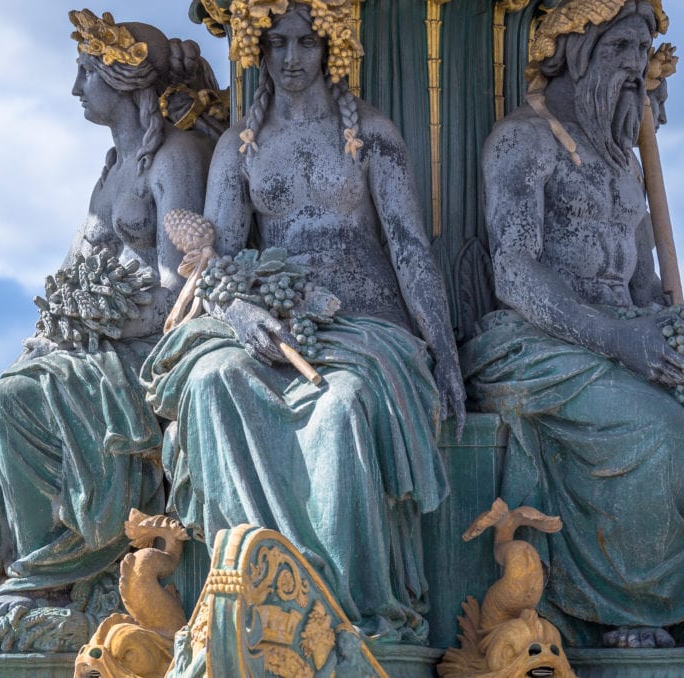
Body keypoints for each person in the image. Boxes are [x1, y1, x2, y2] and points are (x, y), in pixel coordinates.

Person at [0, 9, 225, 651]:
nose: (77, 89)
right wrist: (55, 330)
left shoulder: (177, 156)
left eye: (84, 73)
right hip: (98, 346)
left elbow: (176, 289)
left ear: (120, 77)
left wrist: (89, 320)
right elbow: (76, 274)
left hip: (147, 353)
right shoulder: (112, 169)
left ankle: (43, 583)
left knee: (10, 400)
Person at [142, 0, 465, 643]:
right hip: (264, 315)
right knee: (210, 383)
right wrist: (238, 313)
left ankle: (347, 602)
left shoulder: (370, 132)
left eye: (306, 43)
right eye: (278, 43)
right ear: (260, 52)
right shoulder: (239, 146)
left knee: (342, 406)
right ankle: (251, 592)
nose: (291, 58)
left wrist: (445, 354)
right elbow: (218, 260)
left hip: (363, 320)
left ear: (331, 49)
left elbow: (408, 248)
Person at [461, 0, 684, 648]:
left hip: (623, 327)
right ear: (577, 52)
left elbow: (642, 282)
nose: (637, 70)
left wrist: (666, 325)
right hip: (538, 338)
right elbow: (515, 271)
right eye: (620, 50)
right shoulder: (525, 140)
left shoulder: (623, 161)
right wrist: (618, 337)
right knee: (661, 431)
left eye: (643, 54)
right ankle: (635, 612)